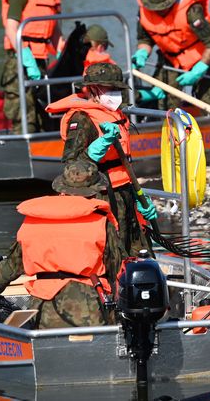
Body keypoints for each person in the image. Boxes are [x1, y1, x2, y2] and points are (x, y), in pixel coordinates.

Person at [0, 160, 129, 328]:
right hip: (90, 311)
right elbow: (118, 271)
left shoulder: (33, 223)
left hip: (43, 311)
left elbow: (10, 267)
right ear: (95, 192)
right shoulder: (102, 224)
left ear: (61, 189)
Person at [45, 62, 157, 256]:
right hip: (101, 194)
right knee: (111, 251)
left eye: (117, 89)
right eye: (110, 89)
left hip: (125, 191)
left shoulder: (114, 113)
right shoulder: (81, 119)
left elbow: (123, 164)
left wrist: (139, 197)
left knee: (140, 247)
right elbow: (72, 166)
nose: (115, 94)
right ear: (93, 89)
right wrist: (96, 149)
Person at [0, 0, 66, 133]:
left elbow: (54, 28)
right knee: (23, 110)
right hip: (20, 59)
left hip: (42, 59)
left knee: (44, 109)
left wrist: (62, 50)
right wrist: (25, 57)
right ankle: (22, 147)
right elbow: (11, 26)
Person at [132, 0, 210, 110]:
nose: (157, 11)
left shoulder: (192, 12)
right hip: (170, 60)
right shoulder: (145, 12)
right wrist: (142, 53)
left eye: (161, 8)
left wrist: (200, 69)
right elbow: (145, 39)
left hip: (200, 58)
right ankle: (168, 128)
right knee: (165, 99)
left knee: (208, 98)